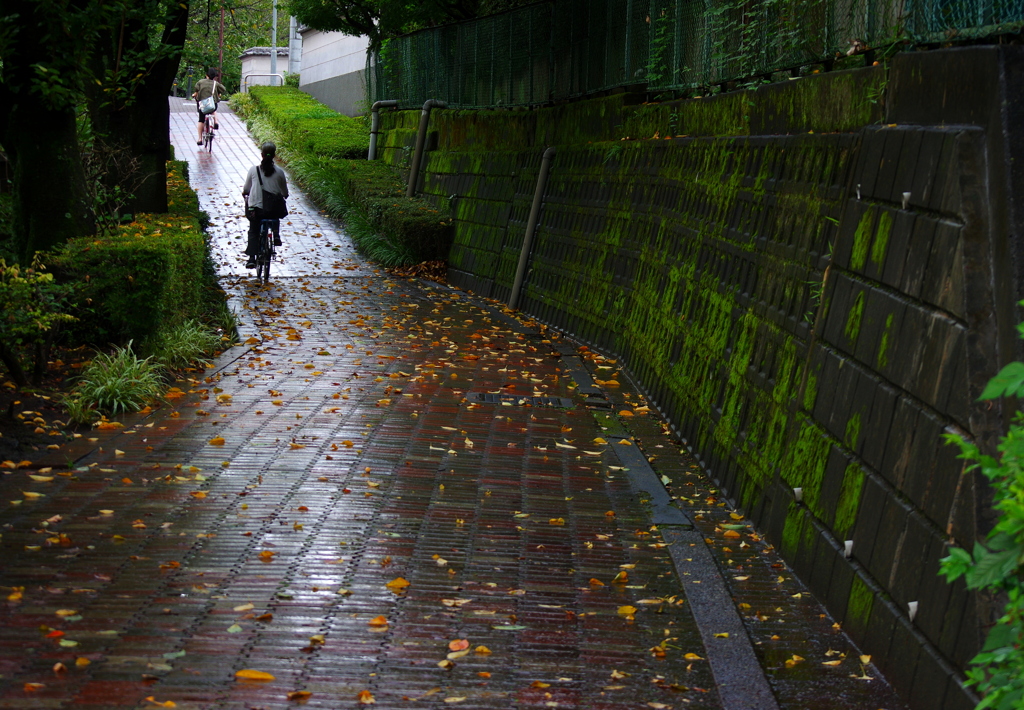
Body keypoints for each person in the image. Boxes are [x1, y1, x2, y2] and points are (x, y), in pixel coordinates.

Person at [242, 142, 289, 268]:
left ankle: (252, 258)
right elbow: (285, 192)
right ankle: (276, 234)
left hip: (256, 209)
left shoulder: (254, 170)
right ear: (274, 155)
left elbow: (247, 188)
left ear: (261, 154)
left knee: (253, 230)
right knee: (275, 212)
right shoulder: (279, 172)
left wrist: (245, 193)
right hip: (272, 209)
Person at [192, 68, 225, 145]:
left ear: (206, 75)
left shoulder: (200, 82)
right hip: (212, 104)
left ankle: (200, 139)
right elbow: (223, 89)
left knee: (201, 120)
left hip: (203, 105)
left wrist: (194, 95)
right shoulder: (215, 83)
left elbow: (196, 90)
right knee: (213, 109)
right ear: (214, 76)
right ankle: (216, 122)